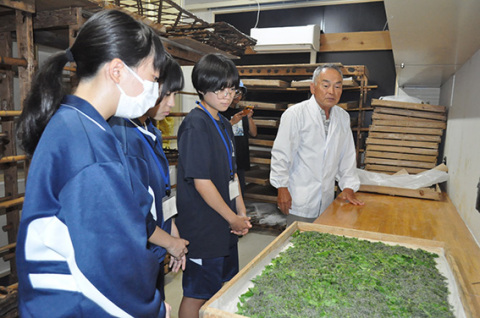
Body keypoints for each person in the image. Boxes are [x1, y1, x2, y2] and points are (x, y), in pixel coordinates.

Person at [16, 9, 171, 318]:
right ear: (117, 70)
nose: (154, 90)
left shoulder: (77, 123)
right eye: (153, 78)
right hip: (80, 306)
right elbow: (109, 264)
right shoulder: (88, 145)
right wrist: (151, 310)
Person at [175, 53, 252, 318]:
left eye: (231, 89)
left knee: (221, 288)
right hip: (204, 227)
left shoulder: (222, 122)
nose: (227, 95)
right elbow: (201, 182)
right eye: (220, 89)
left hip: (225, 223)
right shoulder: (196, 124)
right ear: (201, 87)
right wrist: (232, 218)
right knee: (197, 294)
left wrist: (240, 211)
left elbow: (232, 175)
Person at [109, 56, 189, 304]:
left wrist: (172, 235)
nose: (171, 103)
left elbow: (161, 193)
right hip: (135, 256)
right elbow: (134, 213)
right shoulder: (125, 137)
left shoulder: (151, 130)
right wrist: (171, 244)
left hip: (154, 250)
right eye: (165, 94)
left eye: (174, 95)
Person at [270, 64, 364, 226]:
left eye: (337, 86)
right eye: (326, 85)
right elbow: (281, 154)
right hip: (300, 198)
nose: (331, 92)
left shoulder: (342, 117)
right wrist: (282, 188)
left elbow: (347, 156)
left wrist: (348, 187)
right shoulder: (295, 115)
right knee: (298, 244)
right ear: (313, 87)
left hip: (327, 200)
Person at [220, 80, 257, 197]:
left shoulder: (242, 112)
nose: (238, 96)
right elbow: (217, 133)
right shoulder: (220, 112)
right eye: (236, 92)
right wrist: (232, 122)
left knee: (240, 190)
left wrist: (249, 118)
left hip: (240, 157)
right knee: (226, 191)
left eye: (240, 93)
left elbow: (254, 133)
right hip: (226, 158)